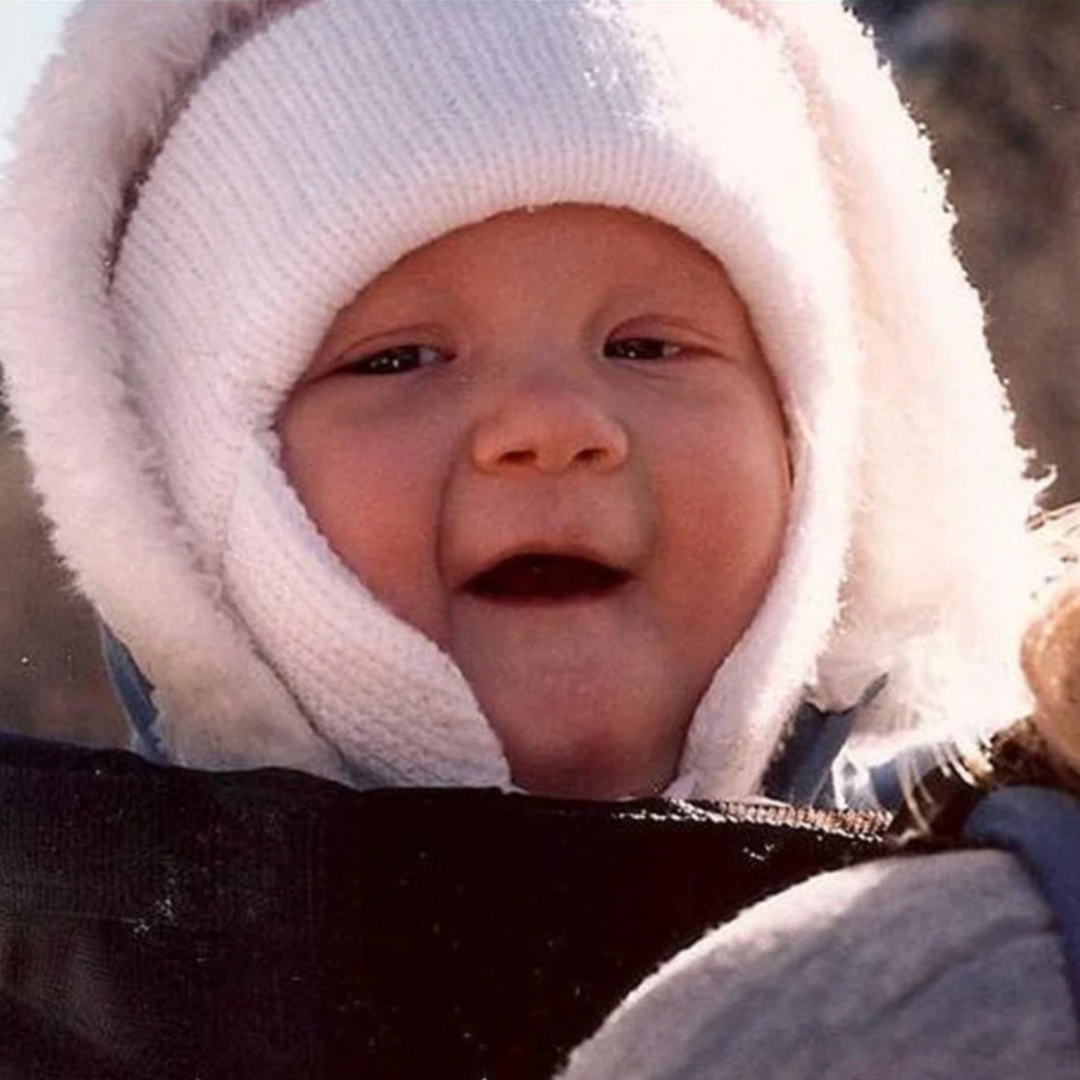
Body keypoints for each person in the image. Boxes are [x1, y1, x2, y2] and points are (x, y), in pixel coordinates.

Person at [0, 1, 1075, 1077]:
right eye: (399, 360)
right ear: (179, 511)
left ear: (815, 452)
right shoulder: (64, 996)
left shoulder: (1003, 959)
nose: (553, 427)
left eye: (648, 345)